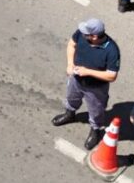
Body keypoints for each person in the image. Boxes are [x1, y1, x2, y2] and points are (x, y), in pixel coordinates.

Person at [50, 18, 121, 152]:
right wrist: (70, 64)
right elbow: (71, 44)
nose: (82, 34)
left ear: (94, 37)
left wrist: (87, 72)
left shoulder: (112, 50)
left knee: (96, 110)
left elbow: (111, 75)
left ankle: (95, 129)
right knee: (71, 98)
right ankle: (70, 114)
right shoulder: (81, 34)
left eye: (86, 33)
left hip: (95, 88)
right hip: (76, 79)